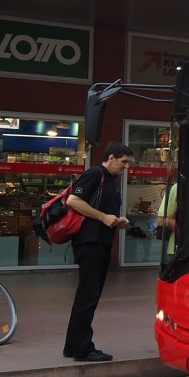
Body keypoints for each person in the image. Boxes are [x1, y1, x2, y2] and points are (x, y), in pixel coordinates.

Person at [62, 142, 133, 362]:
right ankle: (83, 348)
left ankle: (73, 345)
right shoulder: (95, 173)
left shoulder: (110, 180)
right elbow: (73, 200)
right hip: (90, 243)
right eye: (123, 162)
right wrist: (103, 217)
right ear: (111, 157)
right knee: (89, 296)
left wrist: (117, 221)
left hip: (100, 241)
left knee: (85, 295)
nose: (125, 167)